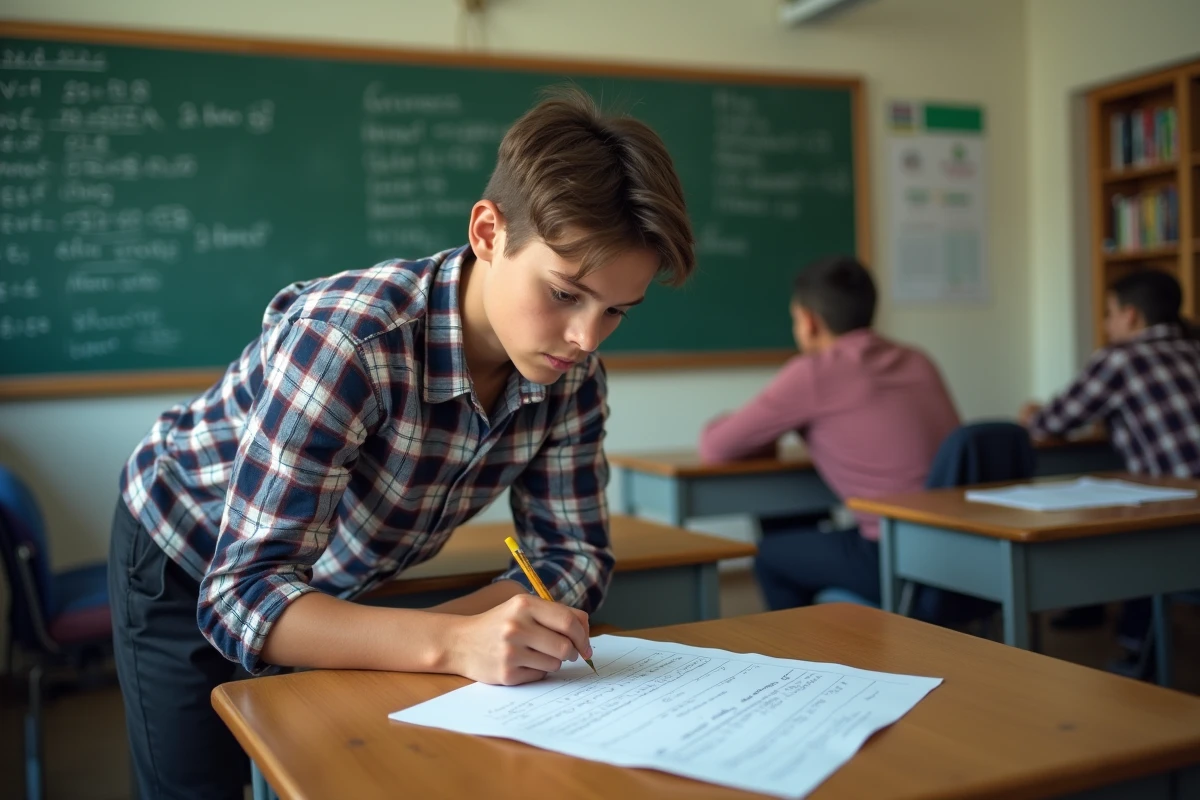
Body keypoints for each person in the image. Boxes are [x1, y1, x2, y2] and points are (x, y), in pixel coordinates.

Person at [109, 88, 695, 799]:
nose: (585, 339)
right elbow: (242, 597)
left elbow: (574, 555)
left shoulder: (572, 377)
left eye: (616, 312)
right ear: (487, 232)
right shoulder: (349, 342)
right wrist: (454, 641)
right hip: (186, 550)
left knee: (329, 768)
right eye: (566, 294)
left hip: (332, 577)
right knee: (197, 787)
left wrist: (478, 626)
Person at [698, 255, 959, 610]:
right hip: (962, 549)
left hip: (893, 558)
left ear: (808, 321)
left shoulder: (815, 372)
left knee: (771, 558)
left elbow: (716, 446)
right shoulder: (918, 359)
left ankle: (813, 659)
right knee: (788, 521)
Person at [1020, 269, 1200, 678]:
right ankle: (1130, 636)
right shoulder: (1193, 348)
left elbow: (1054, 422)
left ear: (1131, 316)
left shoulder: (1123, 358)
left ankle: (1137, 649)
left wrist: (1032, 413)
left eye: (1109, 314)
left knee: (1130, 526)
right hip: (1190, 509)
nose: (1105, 324)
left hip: (1183, 515)